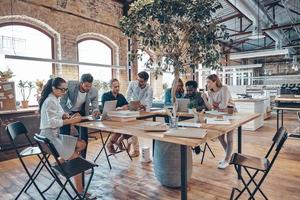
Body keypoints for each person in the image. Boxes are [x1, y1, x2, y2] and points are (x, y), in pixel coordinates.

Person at [39, 77, 86, 195]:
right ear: (54, 88)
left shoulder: (55, 98)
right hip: (49, 138)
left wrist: (66, 116)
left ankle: (58, 163)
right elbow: (52, 123)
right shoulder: (50, 100)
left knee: (82, 144)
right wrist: (70, 121)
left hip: (54, 136)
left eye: (66, 90)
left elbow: (58, 115)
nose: (64, 92)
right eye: (62, 90)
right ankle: (80, 193)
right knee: (77, 160)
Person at [60, 73, 100, 156]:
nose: (88, 88)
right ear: (81, 83)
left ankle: (83, 158)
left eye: (90, 86)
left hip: (81, 113)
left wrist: (95, 109)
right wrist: (66, 114)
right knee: (65, 135)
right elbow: (62, 101)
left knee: (84, 136)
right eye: (86, 86)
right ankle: (65, 157)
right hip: (67, 111)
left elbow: (95, 103)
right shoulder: (70, 86)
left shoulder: (94, 91)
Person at [203, 74, 235, 169]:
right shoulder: (210, 92)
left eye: (208, 82)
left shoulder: (224, 89)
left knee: (229, 138)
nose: (207, 84)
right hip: (220, 115)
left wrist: (215, 105)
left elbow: (223, 105)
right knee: (220, 137)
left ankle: (227, 159)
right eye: (207, 82)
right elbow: (210, 107)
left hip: (231, 114)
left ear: (215, 82)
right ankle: (229, 157)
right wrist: (204, 98)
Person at [126, 71, 153, 157]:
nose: (139, 83)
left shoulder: (149, 89)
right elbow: (127, 97)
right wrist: (129, 106)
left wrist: (144, 108)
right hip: (132, 109)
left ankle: (130, 141)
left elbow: (149, 102)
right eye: (138, 80)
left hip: (143, 110)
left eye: (141, 81)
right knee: (131, 128)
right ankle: (136, 150)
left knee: (139, 130)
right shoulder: (132, 84)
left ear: (146, 81)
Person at [102, 78, 131, 154]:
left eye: (118, 86)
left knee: (130, 127)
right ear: (110, 87)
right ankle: (110, 143)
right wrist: (120, 108)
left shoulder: (120, 96)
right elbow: (106, 110)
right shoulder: (105, 96)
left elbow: (127, 105)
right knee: (120, 128)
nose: (117, 88)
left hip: (119, 119)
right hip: (109, 119)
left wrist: (126, 107)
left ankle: (116, 141)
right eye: (115, 87)